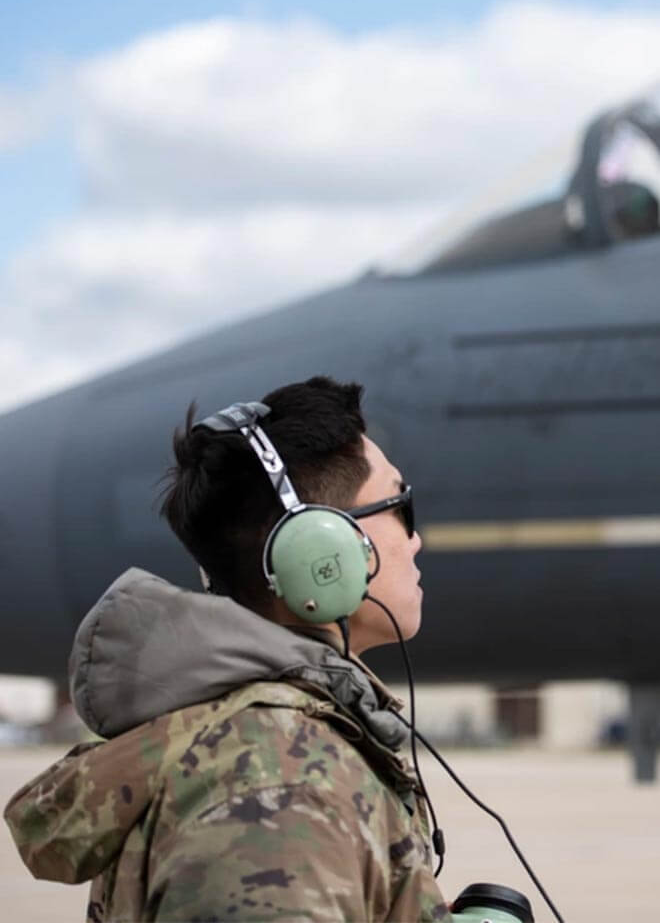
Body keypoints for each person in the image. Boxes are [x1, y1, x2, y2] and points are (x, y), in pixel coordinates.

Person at [4, 376, 453, 921]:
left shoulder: (253, 747)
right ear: (321, 550)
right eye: (399, 504)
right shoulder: (278, 785)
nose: (415, 538)